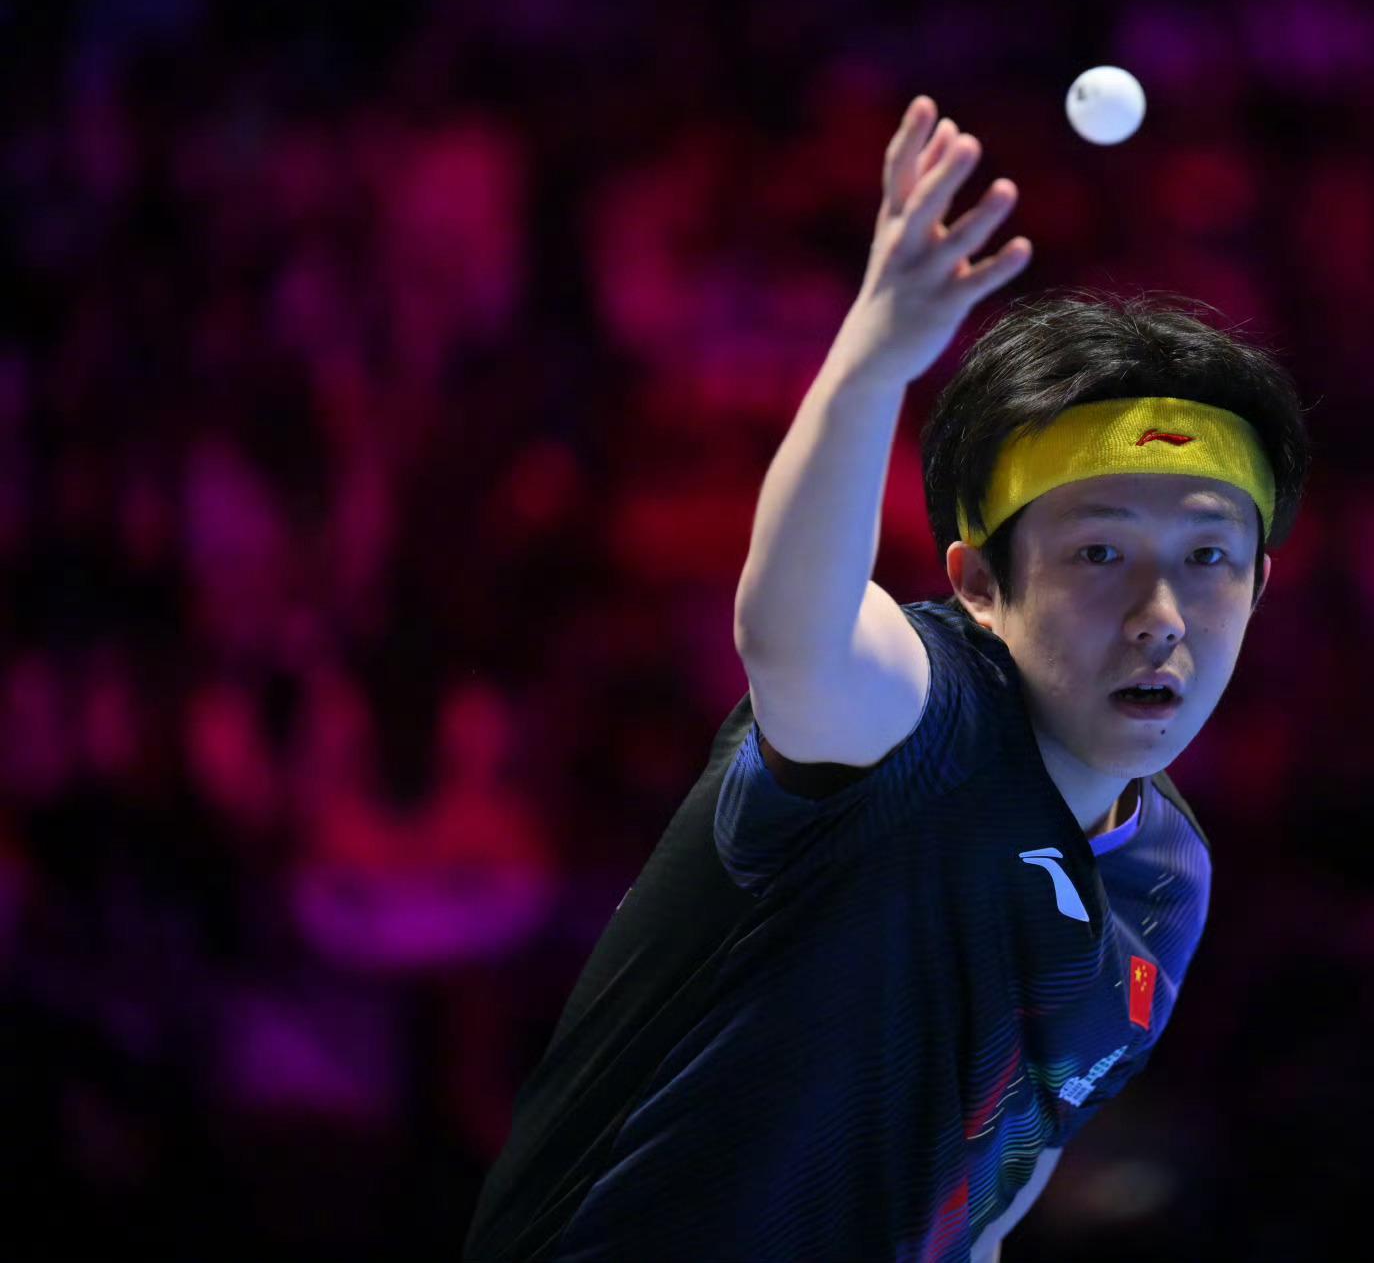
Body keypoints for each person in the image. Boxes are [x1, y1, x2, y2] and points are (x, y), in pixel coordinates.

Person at [462, 95, 1312, 1262]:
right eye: (1098, 554)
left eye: (1207, 557)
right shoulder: (924, 726)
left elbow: (986, 1194)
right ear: (977, 584)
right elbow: (793, 636)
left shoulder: (1167, 878)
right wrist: (869, 367)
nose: (1159, 616)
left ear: (1258, 585)